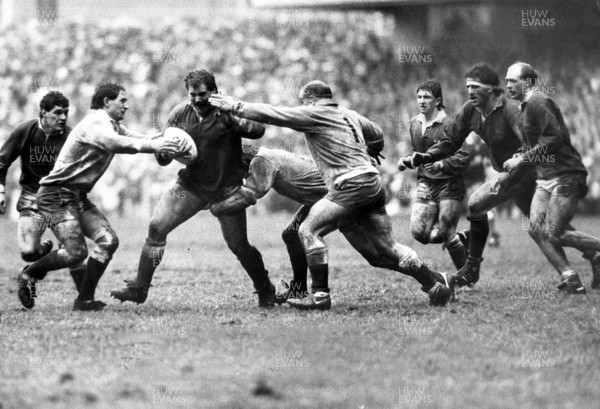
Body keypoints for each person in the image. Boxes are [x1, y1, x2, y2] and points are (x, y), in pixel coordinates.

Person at [209, 80, 453, 310]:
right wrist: (370, 150)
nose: (302, 107)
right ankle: (434, 283)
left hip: (346, 188)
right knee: (384, 250)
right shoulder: (349, 114)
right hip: (371, 182)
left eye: (303, 103)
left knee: (307, 231)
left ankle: (320, 296)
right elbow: (377, 133)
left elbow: (274, 114)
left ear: (310, 100)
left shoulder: (313, 113)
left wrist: (236, 106)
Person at [407, 63, 600, 290]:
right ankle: (579, 269)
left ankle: (471, 269)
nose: (469, 92)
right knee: (542, 229)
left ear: (489, 90)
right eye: (468, 86)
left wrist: (510, 173)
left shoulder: (511, 111)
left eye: (475, 87)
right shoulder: (471, 109)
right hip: (516, 174)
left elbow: (529, 144)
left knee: (477, 204)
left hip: (525, 173)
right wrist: (426, 157)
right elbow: (451, 140)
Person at [110, 69, 277, 308]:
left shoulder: (227, 110)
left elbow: (258, 130)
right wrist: (165, 151)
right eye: (192, 95)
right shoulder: (180, 113)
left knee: (238, 246)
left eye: (203, 94)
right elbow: (162, 156)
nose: (198, 99)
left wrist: (233, 116)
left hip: (226, 188)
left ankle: (265, 288)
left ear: (215, 91)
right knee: (157, 227)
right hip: (191, 185)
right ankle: (140, 287)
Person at [16, 83, 182, 311]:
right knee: (76, 252)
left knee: (108, 241)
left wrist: (167, 140)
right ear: (106, 102)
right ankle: (28, 274)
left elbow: (137, 137)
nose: (127, 105)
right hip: (55, 195)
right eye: (122, 100)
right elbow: (114, 143)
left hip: (76, 197)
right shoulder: (96, 122)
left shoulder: (112, 124)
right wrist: (153, 145)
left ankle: (84, 300)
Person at [504, 61, 600, 293]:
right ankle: (571, 279)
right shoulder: (524, 108)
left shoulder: (539, 101)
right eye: (506, 81)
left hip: (566, 174)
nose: (507, 85)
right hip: (545, 178)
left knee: (553, 233)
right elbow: (531, 145)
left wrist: (522, 160)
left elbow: (553, 139)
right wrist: (518, 156)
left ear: (527, 82)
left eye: (512, 81)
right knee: (536, 229)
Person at [0, 91, 85, 289]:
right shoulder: (25, 131)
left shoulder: (71, 137)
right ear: (43, 113)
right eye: (57, 113)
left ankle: (85, 299)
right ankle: (44, 250)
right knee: (28, 252)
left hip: (60, 201)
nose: (63, 117)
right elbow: (2, 161)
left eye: (66, 112)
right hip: (32, 198)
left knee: (74, 250)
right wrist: (1, 191)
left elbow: (80, 172)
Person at [397, 80, 470, 270]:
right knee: (419, 233)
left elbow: (463, 156)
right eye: (419, 97)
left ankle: (466, 275)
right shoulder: (414, 123)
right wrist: (406, 160)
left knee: (446, 231)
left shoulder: (450, 124)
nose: (422, 101)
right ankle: (461, 238)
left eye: (427, 97)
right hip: (426, 183)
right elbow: (416, 151)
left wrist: (442, 164)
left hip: (449, 183)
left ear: (437, 101)